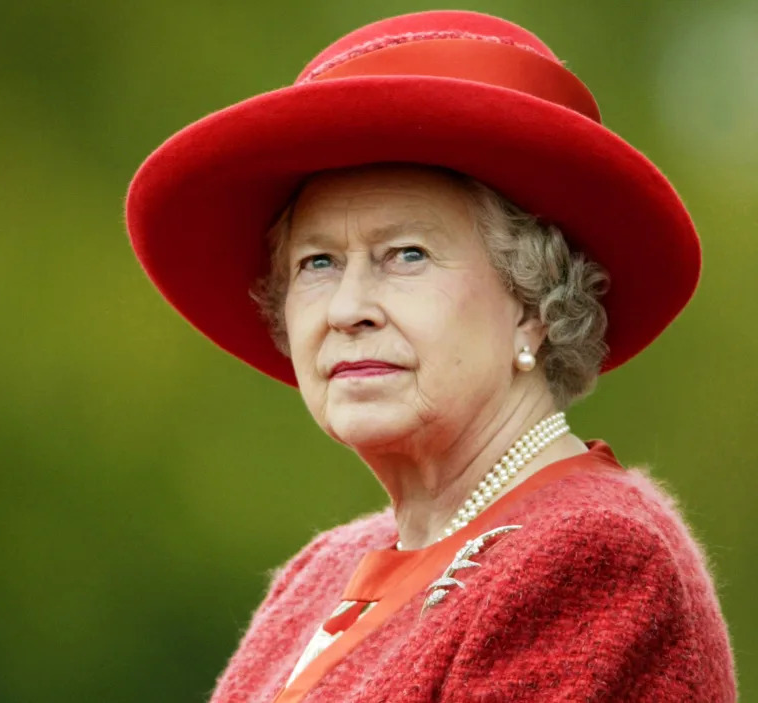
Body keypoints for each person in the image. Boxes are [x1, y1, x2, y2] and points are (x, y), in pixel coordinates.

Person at [125, 10, 736, 702]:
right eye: (317, 262)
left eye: (406, 255)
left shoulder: (591, 555)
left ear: (535, 303)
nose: (347, 307)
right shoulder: (318, 573)